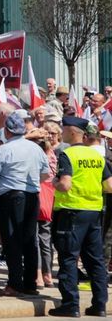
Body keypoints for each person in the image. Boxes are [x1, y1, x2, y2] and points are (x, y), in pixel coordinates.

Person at [0, 111, 51, 296]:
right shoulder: (35, 148)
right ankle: (30, 283)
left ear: (8, 130)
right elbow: (46, 175)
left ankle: (14, 284)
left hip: (12, 196)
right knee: (29, 240)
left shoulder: (3, 149)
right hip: (31, 195)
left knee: (12, 240)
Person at [49, 116, 112, 317]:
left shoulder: (67, 154)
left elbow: (65, 184)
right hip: (94, 212)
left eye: (64, 129)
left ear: (72, 131)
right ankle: (100, 305)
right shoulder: (97, 157)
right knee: (95, 259)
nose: (61, 132)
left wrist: (54, 183)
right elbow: (109, 186)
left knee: (68, 257)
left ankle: (70, 305)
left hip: (71, 211)